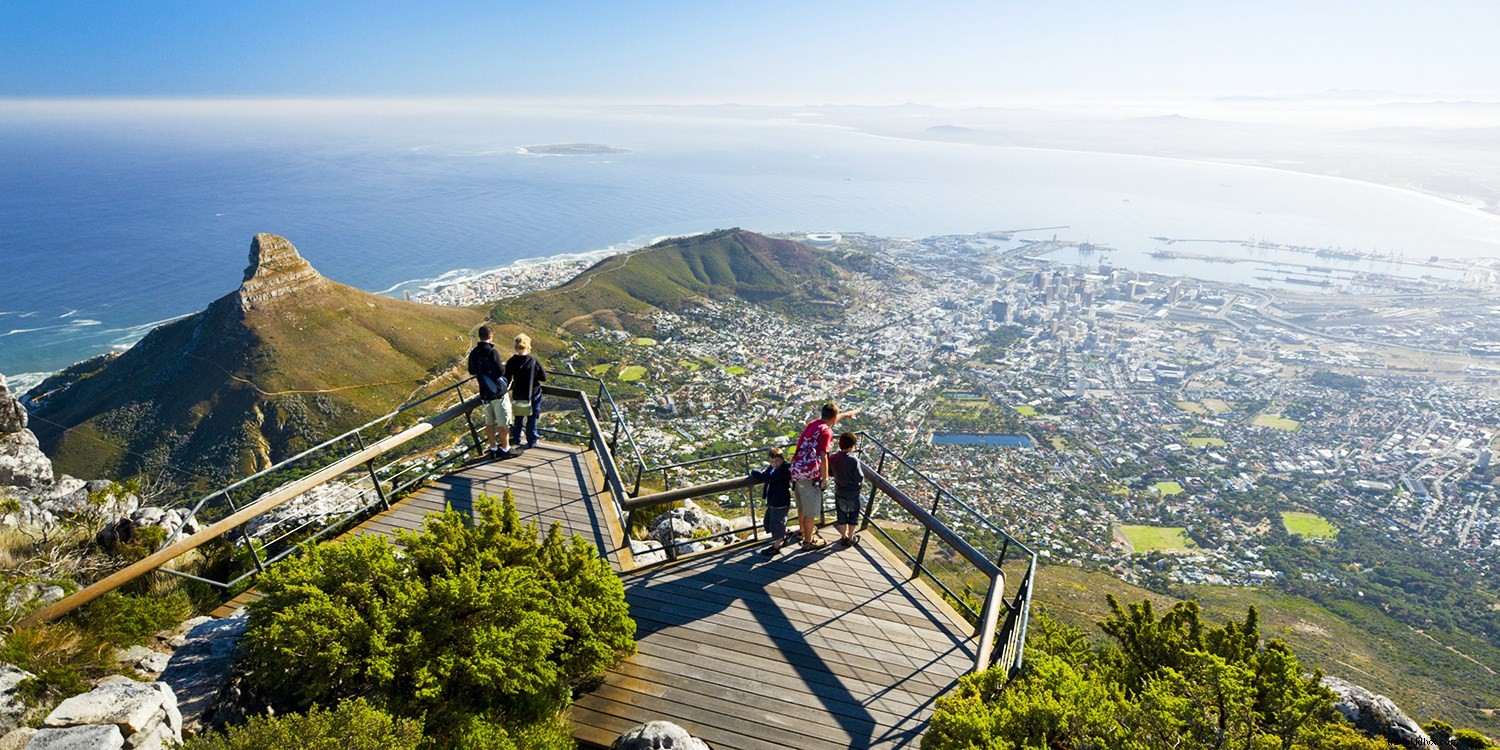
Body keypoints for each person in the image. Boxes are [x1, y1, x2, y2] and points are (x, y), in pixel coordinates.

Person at [788, 402, 841, 550]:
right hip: (811, 476)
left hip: (797, 471)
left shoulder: (814, 424)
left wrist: (845, 415)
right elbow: (824, 457)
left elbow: (800, 444)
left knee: (802, 506)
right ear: (834, 418)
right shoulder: (826, 432)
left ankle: (802, 531)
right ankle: (808, 541)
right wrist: (824, 479)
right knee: (810, 512)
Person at [467, 326, 516, 459]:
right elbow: (500, 371)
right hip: (498, 394)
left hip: (484, 394)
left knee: (489, 423)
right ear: (490, 336)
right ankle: (506, 449)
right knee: (503, 423)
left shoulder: (474, 353)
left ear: (480, 336)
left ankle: (493, 448)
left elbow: (471, 371)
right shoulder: (492, 352)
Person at [506, 333, 547, 449]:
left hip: (518, 394)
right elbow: (543, 378)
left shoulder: (512, 361)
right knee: (532, 418)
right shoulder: (534, 361)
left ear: (516, 346)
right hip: (533, 394)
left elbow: (506, 377)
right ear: (528, 346)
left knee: (518, 418)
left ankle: (516, 438)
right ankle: (531, 440)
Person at [750, 448, 792, 557]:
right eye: (772, 461)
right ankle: (786, 533)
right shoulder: (773, 468)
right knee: (768, 522)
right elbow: (766, 472)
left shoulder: (783, 470)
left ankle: (776, 546)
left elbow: (768, 478)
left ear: (782, 459)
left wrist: (754, 472)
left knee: (776, 524)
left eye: (777, 461)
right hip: (774, 502)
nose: (775, 464)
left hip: (780, 502)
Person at [828, 432, 864, 547]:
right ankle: (850, 537)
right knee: (853, 514)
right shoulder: (854, 460)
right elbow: (859, 477)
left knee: (841, 513)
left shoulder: (833, 458)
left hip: (839, 490)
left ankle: (843, 536)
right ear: (852, 446)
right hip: (853, 492)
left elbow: (830, 473)